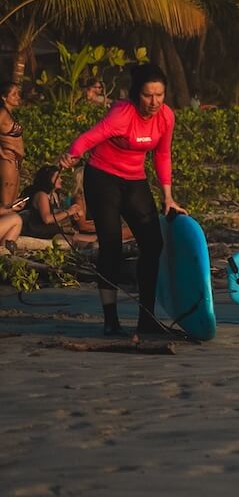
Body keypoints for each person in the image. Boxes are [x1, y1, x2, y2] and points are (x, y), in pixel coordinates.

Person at [61, 63, 182, 336]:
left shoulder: (166, 117)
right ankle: (110, 320)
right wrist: (72, 154)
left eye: (159, 95)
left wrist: (168, 197)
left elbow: (162, 155)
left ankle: (147, 319)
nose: (154, 102)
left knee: (152, 244)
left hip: (134, 180)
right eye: (148, 95)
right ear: (136, 93)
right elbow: (90, 137)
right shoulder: (121, 114)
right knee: (111, 246)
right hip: (103, 178)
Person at [0, 81, 23, 208]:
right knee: (7, 205)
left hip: (16, 160)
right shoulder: (2, 113)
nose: (17, 97)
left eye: (17, 94)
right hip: (8, 158)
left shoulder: (9, 114)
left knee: (13, 204)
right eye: (13, 94)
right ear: (4, 97)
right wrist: (2, 152)